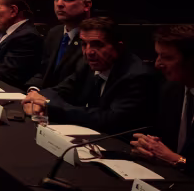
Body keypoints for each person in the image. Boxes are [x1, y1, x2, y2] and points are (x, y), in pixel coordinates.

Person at [22, 16, 160, 133]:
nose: (89, 52)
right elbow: (59, 90)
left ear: (118, 47)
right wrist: (37, 101)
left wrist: (49, 106)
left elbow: (110, 120)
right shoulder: (87, 65)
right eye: (84, 44)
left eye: (97, 45)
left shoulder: (137, 76)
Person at [132, 24, 194, 170]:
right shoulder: (171, 90)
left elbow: (176, 158)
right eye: (157, 55)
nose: (157, 64)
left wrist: (177, 160)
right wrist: (148, 148)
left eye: (167, 58)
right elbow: (164, 145)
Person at [25, 0, 93, 92]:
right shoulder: (54, 33)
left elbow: (77, 84)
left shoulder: (93, 39)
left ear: (86, 5)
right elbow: (43, 72)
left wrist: (42, 98)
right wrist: (33, 90)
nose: (59, 4)